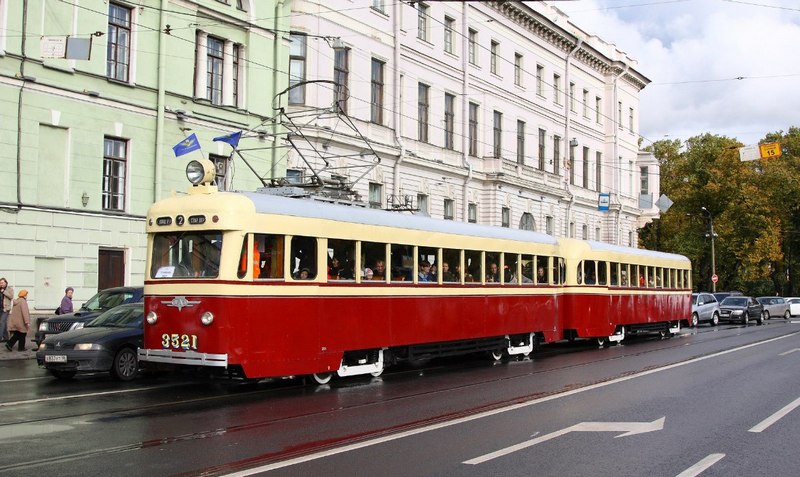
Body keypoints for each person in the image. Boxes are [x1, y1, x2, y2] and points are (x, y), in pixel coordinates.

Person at [0, 278, 13, 342]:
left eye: (2, 283)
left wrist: (4, 292)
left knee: (2, 322)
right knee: (3, 323)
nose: (1, 284)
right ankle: (6, 338)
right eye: (0, 283)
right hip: (0, 308)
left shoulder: (9, 289)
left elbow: (11, 296)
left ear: (6, 283)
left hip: (6, 309)